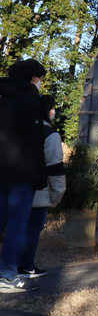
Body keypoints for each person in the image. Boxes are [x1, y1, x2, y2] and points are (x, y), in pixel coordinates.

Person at [0, 58, 47, 293]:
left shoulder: (3, 99)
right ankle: (7, 275)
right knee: (17, 226)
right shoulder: (30, 103)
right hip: (21, 174)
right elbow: (34, 144)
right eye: (40, 79)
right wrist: (40, 176)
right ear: (33, 79)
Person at [18, 95, 66, 278]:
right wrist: (58, 194)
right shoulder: (50, 135)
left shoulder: (18, 130)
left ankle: (12, 265)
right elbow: (55, 167)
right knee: (31, 231)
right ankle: (26, 265)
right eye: (52, 108)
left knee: (15, 229)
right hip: (39, 191)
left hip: (15, 188)